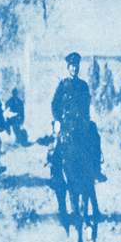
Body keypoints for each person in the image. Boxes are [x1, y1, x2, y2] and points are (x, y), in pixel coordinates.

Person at [51, 52, 107, 182]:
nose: (74, 68)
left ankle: (97, 169)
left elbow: (86, 104)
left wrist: (86, 119)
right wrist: (57, 120)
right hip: (66, 122)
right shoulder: (62, 85)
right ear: (68, 67)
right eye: (72, 65)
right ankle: (55, 176)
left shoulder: (83, 85)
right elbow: (54, 104)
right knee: (57, 145)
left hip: (81, 122)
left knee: (94, 133)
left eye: (76, 65)